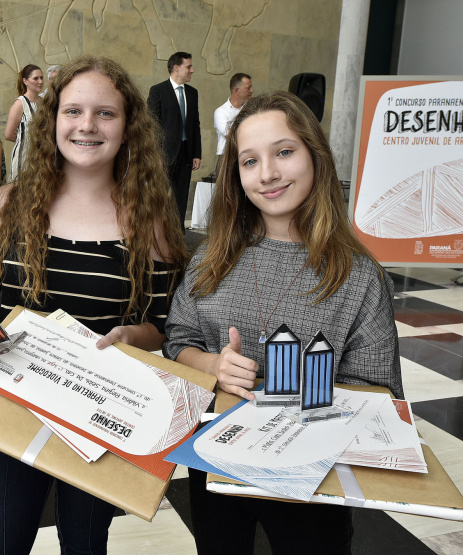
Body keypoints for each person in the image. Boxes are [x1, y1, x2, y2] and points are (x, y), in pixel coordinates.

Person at [0, 55, 188, 555]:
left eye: (105, 113)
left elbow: (161, 324)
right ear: (52, 120)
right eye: (73, 111)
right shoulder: (8, 205)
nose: (87, 125)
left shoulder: (150, 223)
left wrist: (132, 336)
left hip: (99, 418)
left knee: (84, 545)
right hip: (13, 407)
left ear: (128, 126)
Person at [163, 91, 403, 554]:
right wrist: (213, 365)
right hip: (217, 458)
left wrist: (306, 398)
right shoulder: (210, 258)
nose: (268, 173)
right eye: (250, 161)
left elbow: (379, 391)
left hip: (313, 473)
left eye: (284, 152)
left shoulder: (358, 276)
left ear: (315, 156)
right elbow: (178, 341)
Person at [147, 52, 202, 228]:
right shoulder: (158, 91)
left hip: (186, 154)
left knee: (181, 197)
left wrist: (197, 153)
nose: (192, 70)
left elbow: (195, 125)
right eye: (188, 67)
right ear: (176, 68)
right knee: (159, 195)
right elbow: (152, 126)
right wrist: (157, 155)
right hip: (164, 155)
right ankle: (154, 231)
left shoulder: (192, 93)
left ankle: (178, 234)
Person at [5, 64, 43, 180]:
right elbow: (8, 134)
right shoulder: (20, 103)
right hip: (24, 157)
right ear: (25, 81)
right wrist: (26, 140)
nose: (40, 82)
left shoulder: (43, 102)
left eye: (41, 78)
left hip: (41, 157)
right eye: (36, 78)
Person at [212, 72, 252, 173]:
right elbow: (228, 134)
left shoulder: (251, 110)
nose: (252, 90)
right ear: (236, 90)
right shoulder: (221, 111)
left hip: (248, 154)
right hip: (227, 157)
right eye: (248, 88)